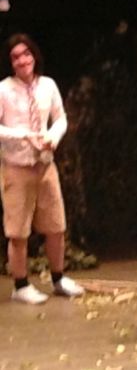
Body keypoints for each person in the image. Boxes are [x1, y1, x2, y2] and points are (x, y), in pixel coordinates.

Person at [0, 33, 85, 304]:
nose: (22, 60)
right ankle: (20, 284)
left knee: (56, 225)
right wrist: (23, 135)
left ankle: (58, 278)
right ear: (10, 62)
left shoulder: (48, 85)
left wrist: (53, 137)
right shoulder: (4, 89)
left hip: (45, 165)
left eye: (26, 54)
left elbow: (60, 118)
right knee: (18, 231)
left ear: (34, 55)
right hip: (17, 167)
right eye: (16, 57)